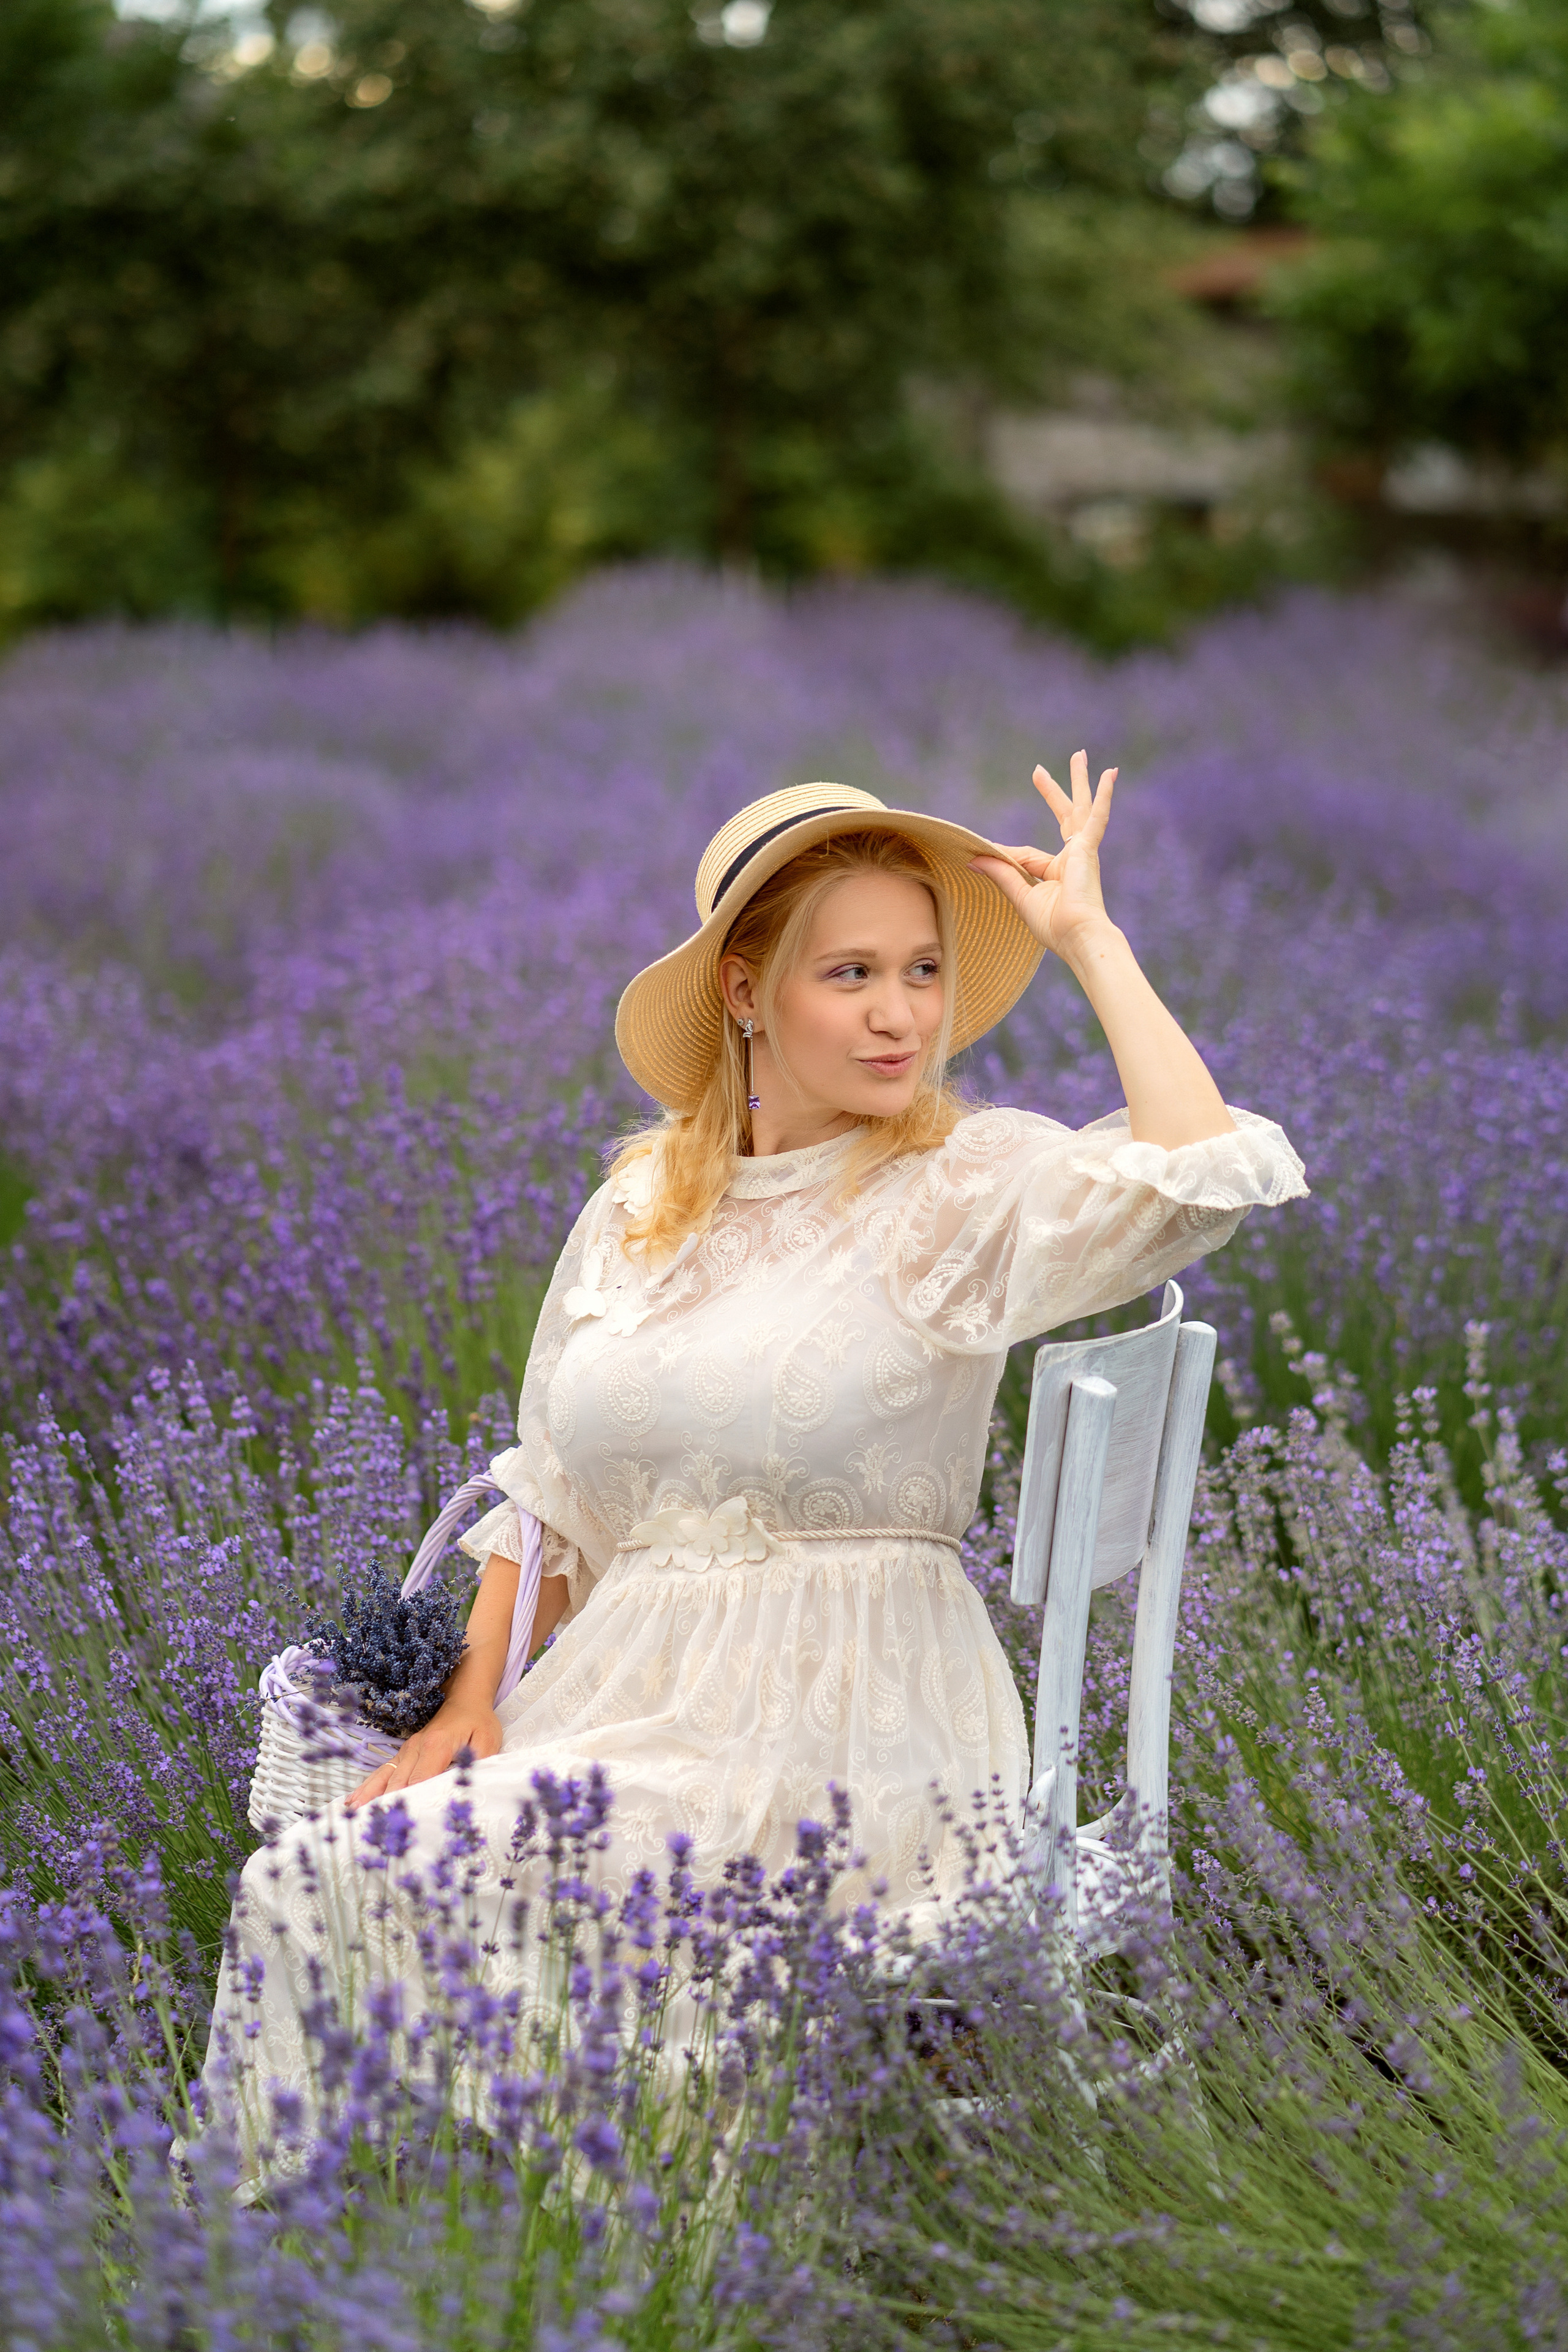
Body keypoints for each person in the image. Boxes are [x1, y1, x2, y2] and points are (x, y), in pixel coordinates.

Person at [204, 761, 1305, 2155]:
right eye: (850, 973)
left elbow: (1200, 1178)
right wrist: (464, 1706)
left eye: (921, 971)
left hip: (851, 1727)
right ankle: (404, 2235)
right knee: (324, 1873)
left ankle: (646, 2233)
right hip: (621, 1703)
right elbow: (550, 1492)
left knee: (476, 1897)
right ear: (743, 991)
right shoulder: (640, 1203)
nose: (902, 1014)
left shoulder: (957, 1185)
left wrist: (1092, 939)